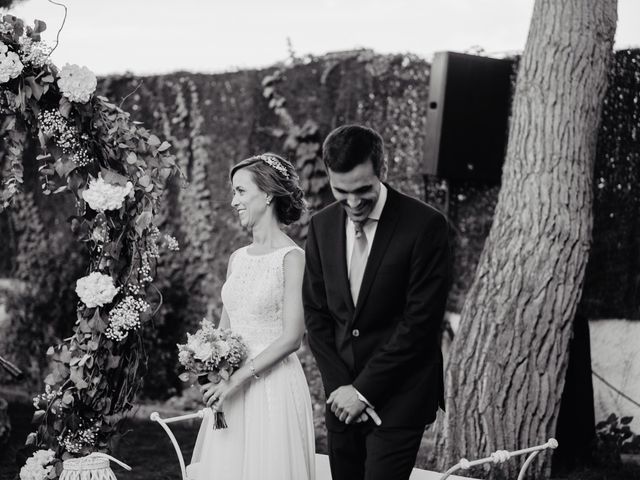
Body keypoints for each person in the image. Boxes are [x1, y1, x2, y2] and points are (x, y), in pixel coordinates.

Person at [303, 125, 451, 480]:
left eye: (364, 190)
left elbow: (420, 323)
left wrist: (363, 391)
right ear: (329, 177)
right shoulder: (321, 226)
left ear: (383, 172)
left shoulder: (426, 226)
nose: (353, 203)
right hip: (342, 401)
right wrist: (341, 388)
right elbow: (317, 314)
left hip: (400, 397)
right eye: (341, 191)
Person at [188, 153, 315, 480]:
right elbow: (224, 329)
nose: (234, 201)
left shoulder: (292, 258)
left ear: (268, 194)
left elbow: (292, 338)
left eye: (241, 192)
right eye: (234, 192)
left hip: (270, 386)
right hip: (231, 386)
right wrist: (211, 368)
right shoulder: (237, 258)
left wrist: (238, 378)